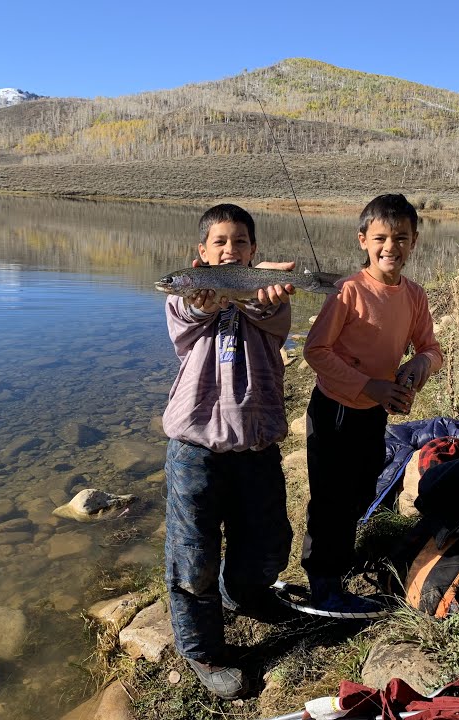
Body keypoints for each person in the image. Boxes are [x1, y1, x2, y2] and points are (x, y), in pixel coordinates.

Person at [161, 203, 298, 699]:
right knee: (192, 556)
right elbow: (187, 314)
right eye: (219, 242)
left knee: (265, 544)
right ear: (202, 254)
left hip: (256, 442)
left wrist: (257, 290)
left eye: (239, 242)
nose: (229, 248)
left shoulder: (269, 299)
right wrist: (210, 297)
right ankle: (202, 650)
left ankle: (244, 595)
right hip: (194, 446)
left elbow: (271, 316)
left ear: (253, 252)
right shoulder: (187, 298)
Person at [301, 193, 444, 614]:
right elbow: (316, 351)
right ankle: (322, 580)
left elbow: (432, 348)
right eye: (381, 237)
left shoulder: (414, 296)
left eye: (401, 238)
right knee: (330, 499)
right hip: (334, 411)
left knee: (362, 489)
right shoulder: (348, 291)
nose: (390, 247)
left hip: (373, 413)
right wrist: (370, 385)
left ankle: (339, 562)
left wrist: (420, 363)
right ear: (363, 240)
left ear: (414, 241)